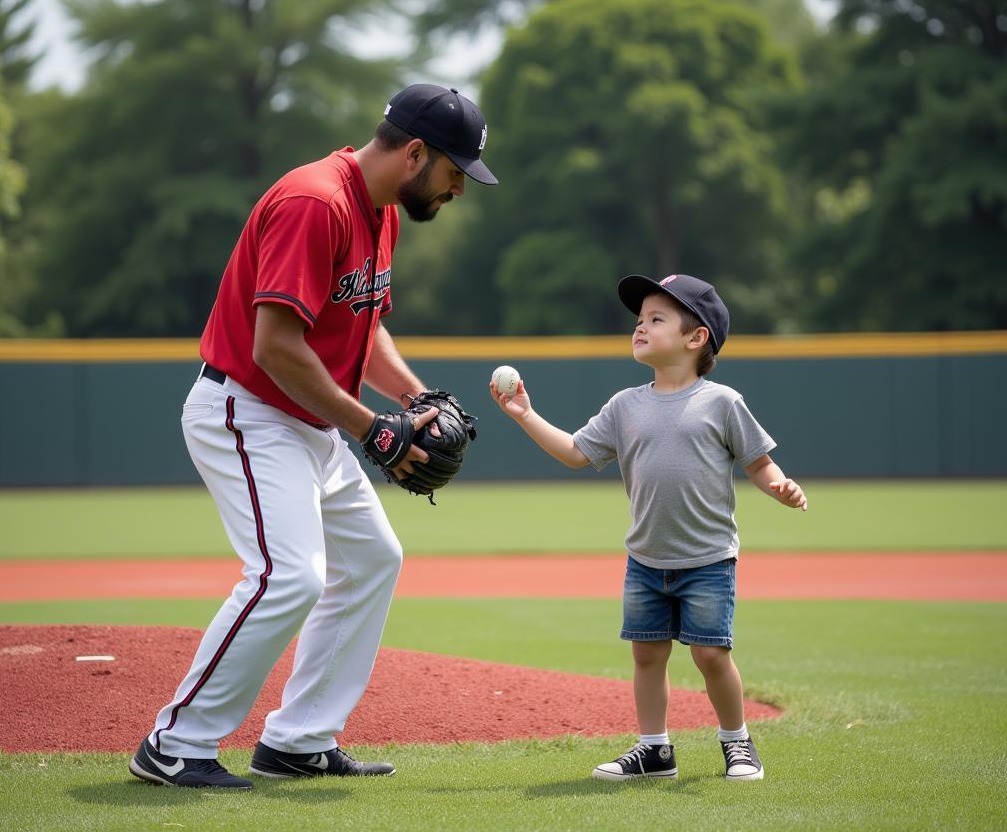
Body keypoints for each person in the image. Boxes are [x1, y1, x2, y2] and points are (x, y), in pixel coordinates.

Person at [129, 84, 498, 790]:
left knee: (372, 560)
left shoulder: (379, 209)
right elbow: (275, 347)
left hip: (309, 418)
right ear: (415, 153)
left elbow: (364, 319)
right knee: (288, 575)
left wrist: (411, 400)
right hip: (249, 409)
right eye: (455, 173)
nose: (458, 190)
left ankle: (299, 739)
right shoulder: (316, 203)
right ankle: (174, 743)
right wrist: (374, 431)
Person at [490, 273, 806, 783]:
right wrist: (525, 414)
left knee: (710, 654)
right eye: (639, 319)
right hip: (646, 558)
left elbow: (758, 461)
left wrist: (780, 486)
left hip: (707, 558)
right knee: (647, 655)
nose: (640, 326)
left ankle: (737, 742)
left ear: (696, 336)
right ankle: (655, 750)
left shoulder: (721, 402)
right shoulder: (625, 405)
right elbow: (575, 452)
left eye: (656, 319)